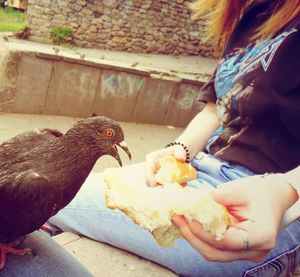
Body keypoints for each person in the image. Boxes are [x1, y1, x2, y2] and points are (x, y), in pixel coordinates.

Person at [3, 0, 299, 276]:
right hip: (203, 169)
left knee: (48, 204)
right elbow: (215, 109)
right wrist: (178, 149)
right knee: (40, 203)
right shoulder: (254, 13)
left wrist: (288, 189)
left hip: (268, 200)